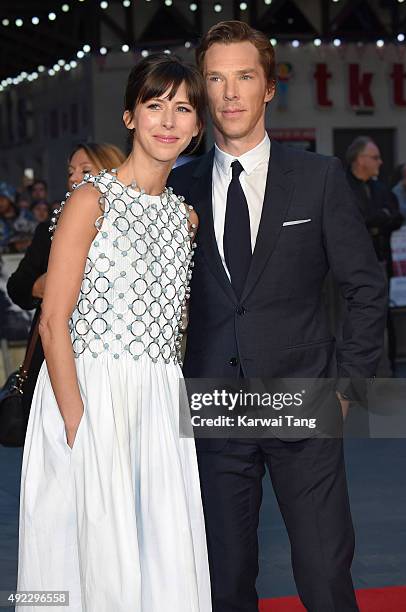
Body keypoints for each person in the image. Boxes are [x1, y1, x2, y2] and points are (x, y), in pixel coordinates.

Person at [168, 21, 387, 612]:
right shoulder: (176, 188)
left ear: (269, 88)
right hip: (213, 407)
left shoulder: (318, 179)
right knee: (225, 582)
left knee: (323, 575)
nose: (230, 92)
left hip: (304, 400)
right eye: (216, 78)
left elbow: (365, 288)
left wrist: (347, 387)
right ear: (204, 89)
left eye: (244, 76)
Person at [18, 53, 211, 612]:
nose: (168, 121)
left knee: (160, 551)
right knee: (84, 554)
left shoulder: (187, 219)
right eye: (155, 106)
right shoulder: (89, 200)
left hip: (157, 403)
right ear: (130, 116)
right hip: (87, 393)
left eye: (182, 109)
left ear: (198, 127)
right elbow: (54, 320)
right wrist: (77, 418)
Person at [7, 143, 126, 425]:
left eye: (85, 170)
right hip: (55, 361)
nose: (73, 178)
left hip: (117, 360)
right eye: (70, 172)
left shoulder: (129, 227)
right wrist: (51, 283)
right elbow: (18, 288)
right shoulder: (50, 227)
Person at [345, 136, 403, 373]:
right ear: (360, 160)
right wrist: (376, 220)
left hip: (380, 262)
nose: (380, 162)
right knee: (355, 322)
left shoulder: (380, 188)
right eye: (375, 157)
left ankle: (386, 373)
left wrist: (377, 222)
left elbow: (395, 216)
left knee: (383, 320)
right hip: (351, 270)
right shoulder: (342, 186)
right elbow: (352, 223)